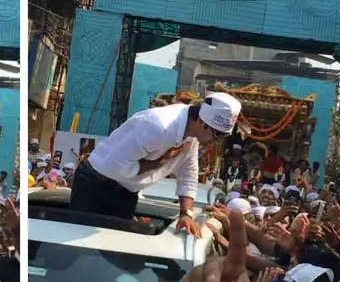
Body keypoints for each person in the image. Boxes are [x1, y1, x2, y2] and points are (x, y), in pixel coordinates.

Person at [69, 94, 241, 237]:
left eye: (223, 137)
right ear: (202, 122)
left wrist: (186, 213)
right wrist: (161, 162)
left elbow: (189, 172)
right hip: (95, 184)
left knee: (110, 253)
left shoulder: (193, 135)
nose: (217, 141)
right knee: (75, 252)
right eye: (217, 134)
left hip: (126, 192)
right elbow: (117, 167)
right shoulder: (158, 126)